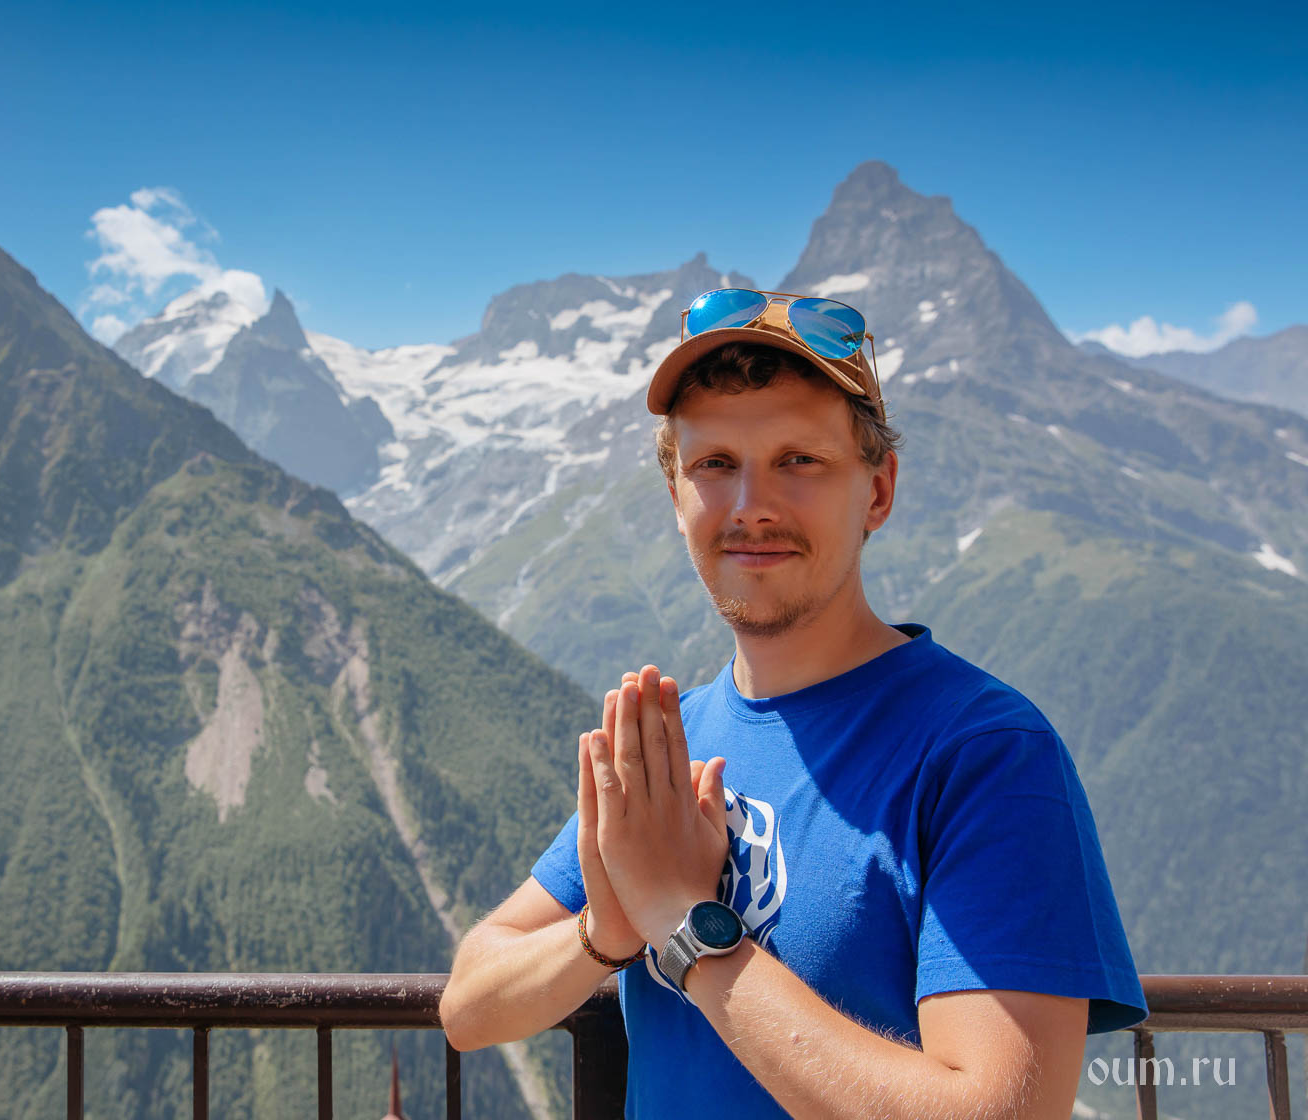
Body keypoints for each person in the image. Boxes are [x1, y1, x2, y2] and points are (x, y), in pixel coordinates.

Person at [438, 289, 1147, 1118]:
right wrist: (606, 931)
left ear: (878, 491)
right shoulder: (674, 737)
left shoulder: (985, 753)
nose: (752, 505)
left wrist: (682, 920)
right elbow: (469, 1007)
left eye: (799, 460)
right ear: (676, 496)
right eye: (715, 465)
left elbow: (999, 1110)